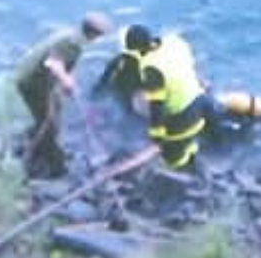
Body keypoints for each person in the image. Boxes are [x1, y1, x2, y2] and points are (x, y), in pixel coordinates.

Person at [15, 12, 112, 178]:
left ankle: (34, 139)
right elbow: (53, 63)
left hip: (41, 80)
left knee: (55, 108)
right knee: (50, 122)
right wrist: (66, 80)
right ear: (94, 33)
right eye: (100, 34)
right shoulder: (71, 43)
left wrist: (62, 83)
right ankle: (54, 163)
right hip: (32, 82)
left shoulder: (72, 35)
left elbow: (60, 63)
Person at [124, 24, 211, 172]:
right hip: (200, 101)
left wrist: (156, 134)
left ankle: (186, 175)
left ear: (136, 48)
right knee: (189, 144)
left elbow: (157, 103)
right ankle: (192, 154)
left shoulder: (151, 68)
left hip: (183, 117)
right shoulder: (174, 42)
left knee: (174, 159)